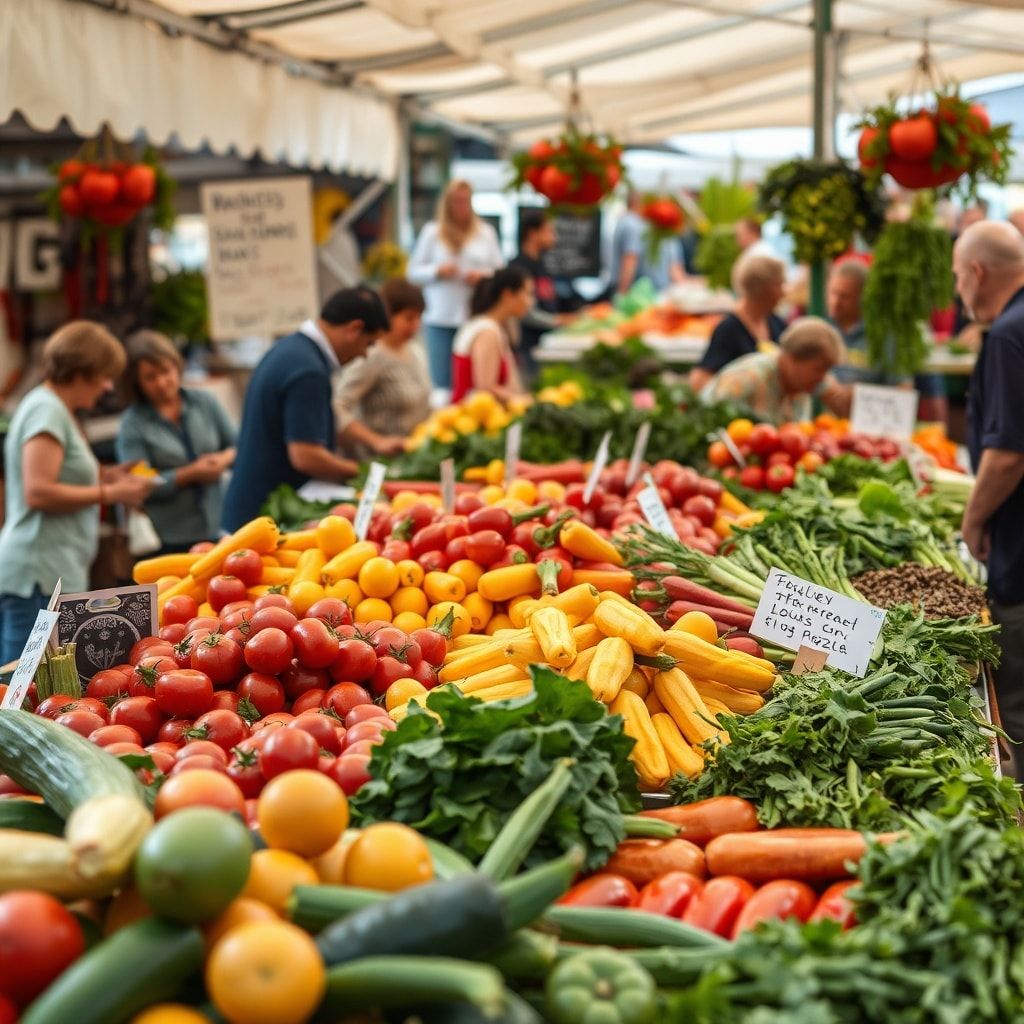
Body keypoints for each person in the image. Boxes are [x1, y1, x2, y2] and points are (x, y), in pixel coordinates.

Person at [0, 322, 152, 663]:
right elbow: (38, 492)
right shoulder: (47, 410)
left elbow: (60, 475)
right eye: (104, 376)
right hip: (36, 574)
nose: (107, 386)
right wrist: (110, 493)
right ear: (83, 370)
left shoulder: (55, 409)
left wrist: (111, 475)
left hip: (49, 571)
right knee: (18, 682)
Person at [221, 287, 389, 532]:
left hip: (249, 513)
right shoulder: (308, 370)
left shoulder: (291, 350)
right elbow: (305, 456)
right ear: (354, 328)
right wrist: (361, 471)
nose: (364, 354)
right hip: (261, 523)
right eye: (369, 343)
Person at [954, 221, 1024, 765]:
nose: (958, 292)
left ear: (977, 273)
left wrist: (973, 520)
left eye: (958, 278)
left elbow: (1007, 455)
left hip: (1020, 547)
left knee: (1016, 707)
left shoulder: (1006, 335)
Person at [116, 331, 236, 554]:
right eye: (150, 377)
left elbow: (239, 446)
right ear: (136, 382)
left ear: (177, 366)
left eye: (165, 371)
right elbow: (140, 481)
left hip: (218, 525)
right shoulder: (133, 424)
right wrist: (190, 474)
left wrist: (223, 459)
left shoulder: (204, 402)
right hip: (168, 537)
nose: (162, 383)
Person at [407, 180, 503, 393]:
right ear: (447, 203)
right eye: (456, 201)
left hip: (474, 317)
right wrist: (437, 271)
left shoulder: (485, 233)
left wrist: (481, 275)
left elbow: (499, 272)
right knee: (442, 383)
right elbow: (413, 272)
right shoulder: (432, 232)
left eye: (465, 201)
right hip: (440, 316)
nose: (461, 206)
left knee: (474, 382)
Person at [827, 258, 949, 422]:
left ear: (864, 297)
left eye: (845, 296)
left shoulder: (887, 335)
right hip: (824, 425)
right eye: (833, 293)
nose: (835, 302)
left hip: (870, 424)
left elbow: (902, 393)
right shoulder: (823, 328)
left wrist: (860, 397)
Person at [335, 279, 430, 461]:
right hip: (380, 461)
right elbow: (338, 406)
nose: (415, 326)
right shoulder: (371, 356)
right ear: (388, 315)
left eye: (419, 318)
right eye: (408, 318)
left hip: (413, 457)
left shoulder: (415, 351)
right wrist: (376, 441)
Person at [701, 316, 850, 425]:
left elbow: (839, 398)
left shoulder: (807, 382)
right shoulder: (747, 379)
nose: (823, 378)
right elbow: (710, 422)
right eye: (819, 369)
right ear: (792, 358)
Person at [689, 253, 787, 391]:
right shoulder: (729, 329)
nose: (784, 293)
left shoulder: (777, 323)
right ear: (765, 289)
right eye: (780, 285)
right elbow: (700, 379)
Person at [450, 267, 533, 403]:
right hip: (473, 413)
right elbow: (486, 389)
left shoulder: (492, 326)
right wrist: (526, 400)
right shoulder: (487, 332)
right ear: (507, 295)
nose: (530, 302)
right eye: (528, 294)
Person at [510, 209, 572, 379]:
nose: (554, 237)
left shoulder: (543, 265)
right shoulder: (518, 268)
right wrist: (557, 320)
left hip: (546, 346)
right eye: (549, 230)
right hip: (528, 347)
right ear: (532, 233)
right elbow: (523, 312)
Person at [611, 191, 685, 295]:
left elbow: (631, 258)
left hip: (646, 292)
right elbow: (630, 258)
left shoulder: (642, 226)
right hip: (647, 292)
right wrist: (622, 293)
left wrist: (621, 292)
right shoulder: (633, 224)